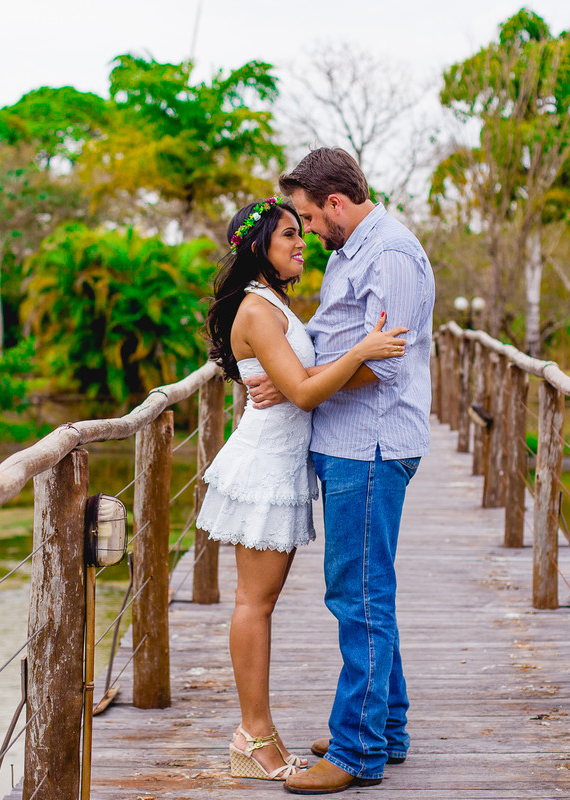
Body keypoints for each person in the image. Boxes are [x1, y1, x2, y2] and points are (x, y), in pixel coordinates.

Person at [195, 195, 409, 782]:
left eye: (301, 231)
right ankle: (253, 735)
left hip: (285, 466)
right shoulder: (258, 311)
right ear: (257, 246)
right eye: (289, 234)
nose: (301, 242)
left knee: (259, 603)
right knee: (254, 604)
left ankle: (265, 731)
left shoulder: (272, 304)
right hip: (265, 469)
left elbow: (297, 381)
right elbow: (306, 393)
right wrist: (360, 351)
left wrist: (293, 380)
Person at [244, 148, 435, 795]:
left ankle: (357, 751)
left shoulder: (390, 255)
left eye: (305, 216)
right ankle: (386, 726)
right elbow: (339, 338)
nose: (306, 230)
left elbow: (384, 363)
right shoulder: (356, 252)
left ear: (333, 203)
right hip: (350, 443)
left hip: (372, 447)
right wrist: (289, 375)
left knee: (358, 596)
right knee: (367, 589)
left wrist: (300, 385)